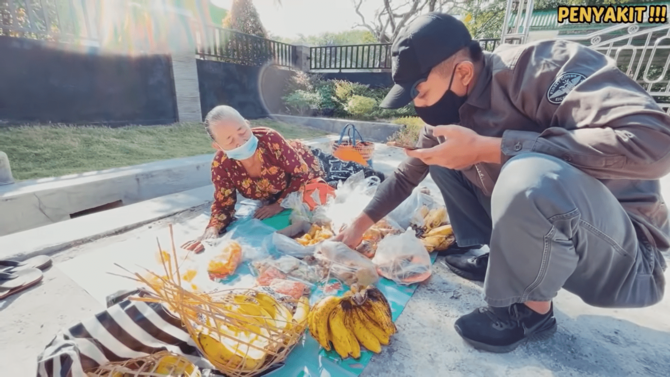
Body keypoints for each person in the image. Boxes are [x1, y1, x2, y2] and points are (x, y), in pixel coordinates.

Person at [335, 13, 670, 353]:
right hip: (563, 234)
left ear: (463, 71)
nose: (419, 107)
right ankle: (502, 260)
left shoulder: (539, 69)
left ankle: (532, 311)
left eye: (421, 93)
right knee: (440, 157)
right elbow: (408, 173)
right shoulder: (451, 110)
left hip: (622, 252)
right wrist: (360, 225)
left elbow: (657, 145)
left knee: (528, 173)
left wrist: (492, 148)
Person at [181, 105, 384, 253]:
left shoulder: (269, 139)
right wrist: (212, 230)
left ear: (248, 124)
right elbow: (223, 203)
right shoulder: (221, 165)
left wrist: (279, 204)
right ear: (218, 147)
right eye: (229, 140)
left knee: (363, 177)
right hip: (283, 189)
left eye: (242, 131)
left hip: (308, 163)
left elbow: (301, 173)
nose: (240, 141)